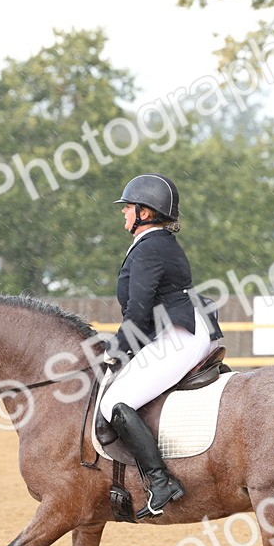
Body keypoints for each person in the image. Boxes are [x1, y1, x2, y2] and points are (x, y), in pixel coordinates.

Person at [98, 173, 223, 517]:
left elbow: (138, 311)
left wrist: (116, 352)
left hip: (180, 336)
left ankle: (160, 480)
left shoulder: (152, 246)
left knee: (116, 403)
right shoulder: (153, 244)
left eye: (128, 208)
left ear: (146, 212)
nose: (123, 213)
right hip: (174, 330)